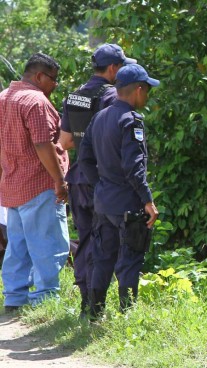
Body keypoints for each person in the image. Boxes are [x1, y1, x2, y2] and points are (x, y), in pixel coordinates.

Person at [59, 43, 136, 318]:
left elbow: (65, 141)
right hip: (106, 182)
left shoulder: (75, 96)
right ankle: (105, 307)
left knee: (85, 240)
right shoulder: (113, 97)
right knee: (109, 244)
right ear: (113, 68)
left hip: (78, 178)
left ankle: (86, 303)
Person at [79, 64, 160, 318]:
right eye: (146, 90)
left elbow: (84, 159)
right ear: (137, 90)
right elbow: (134, 167)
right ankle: (128, 316)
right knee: (130, 258)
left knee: (103, 258)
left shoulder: (99, 117)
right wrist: (147, 200)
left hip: (103, 201)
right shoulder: (131, 120)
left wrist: (101, 184)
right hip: (128, 202)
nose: (147, 96)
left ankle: (94, 314)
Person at [0, 53, 70, 312]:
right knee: (48, 242)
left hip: (13, 185)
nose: (55, 85)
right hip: (39, 185)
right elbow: (42, 145)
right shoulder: (35, 101)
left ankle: (15, 296)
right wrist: (59, 181)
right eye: (53, 79)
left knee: (17, 244)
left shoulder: (4, 97)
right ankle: (45, 297)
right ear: (39, 76)